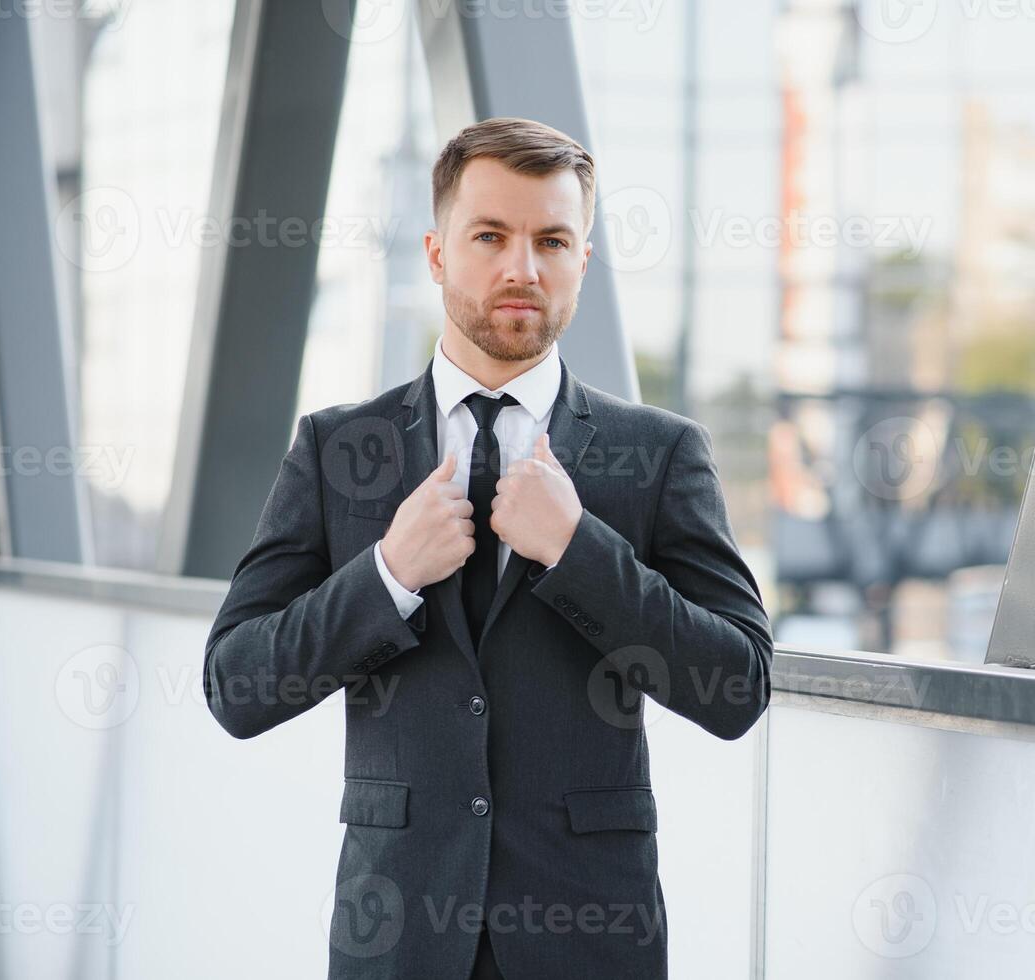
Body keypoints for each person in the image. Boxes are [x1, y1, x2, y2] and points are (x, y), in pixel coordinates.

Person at [202, 116, 773, 979]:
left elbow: (738, 688)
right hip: (395, 937)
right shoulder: (336, 449)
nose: (522, 268)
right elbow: (237, 686)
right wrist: (388, 574)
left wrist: (579, 550)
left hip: (590, 941)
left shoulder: (659, 454)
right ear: (436, 253)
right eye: (490, 236)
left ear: (584, 258)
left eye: (552, 240)